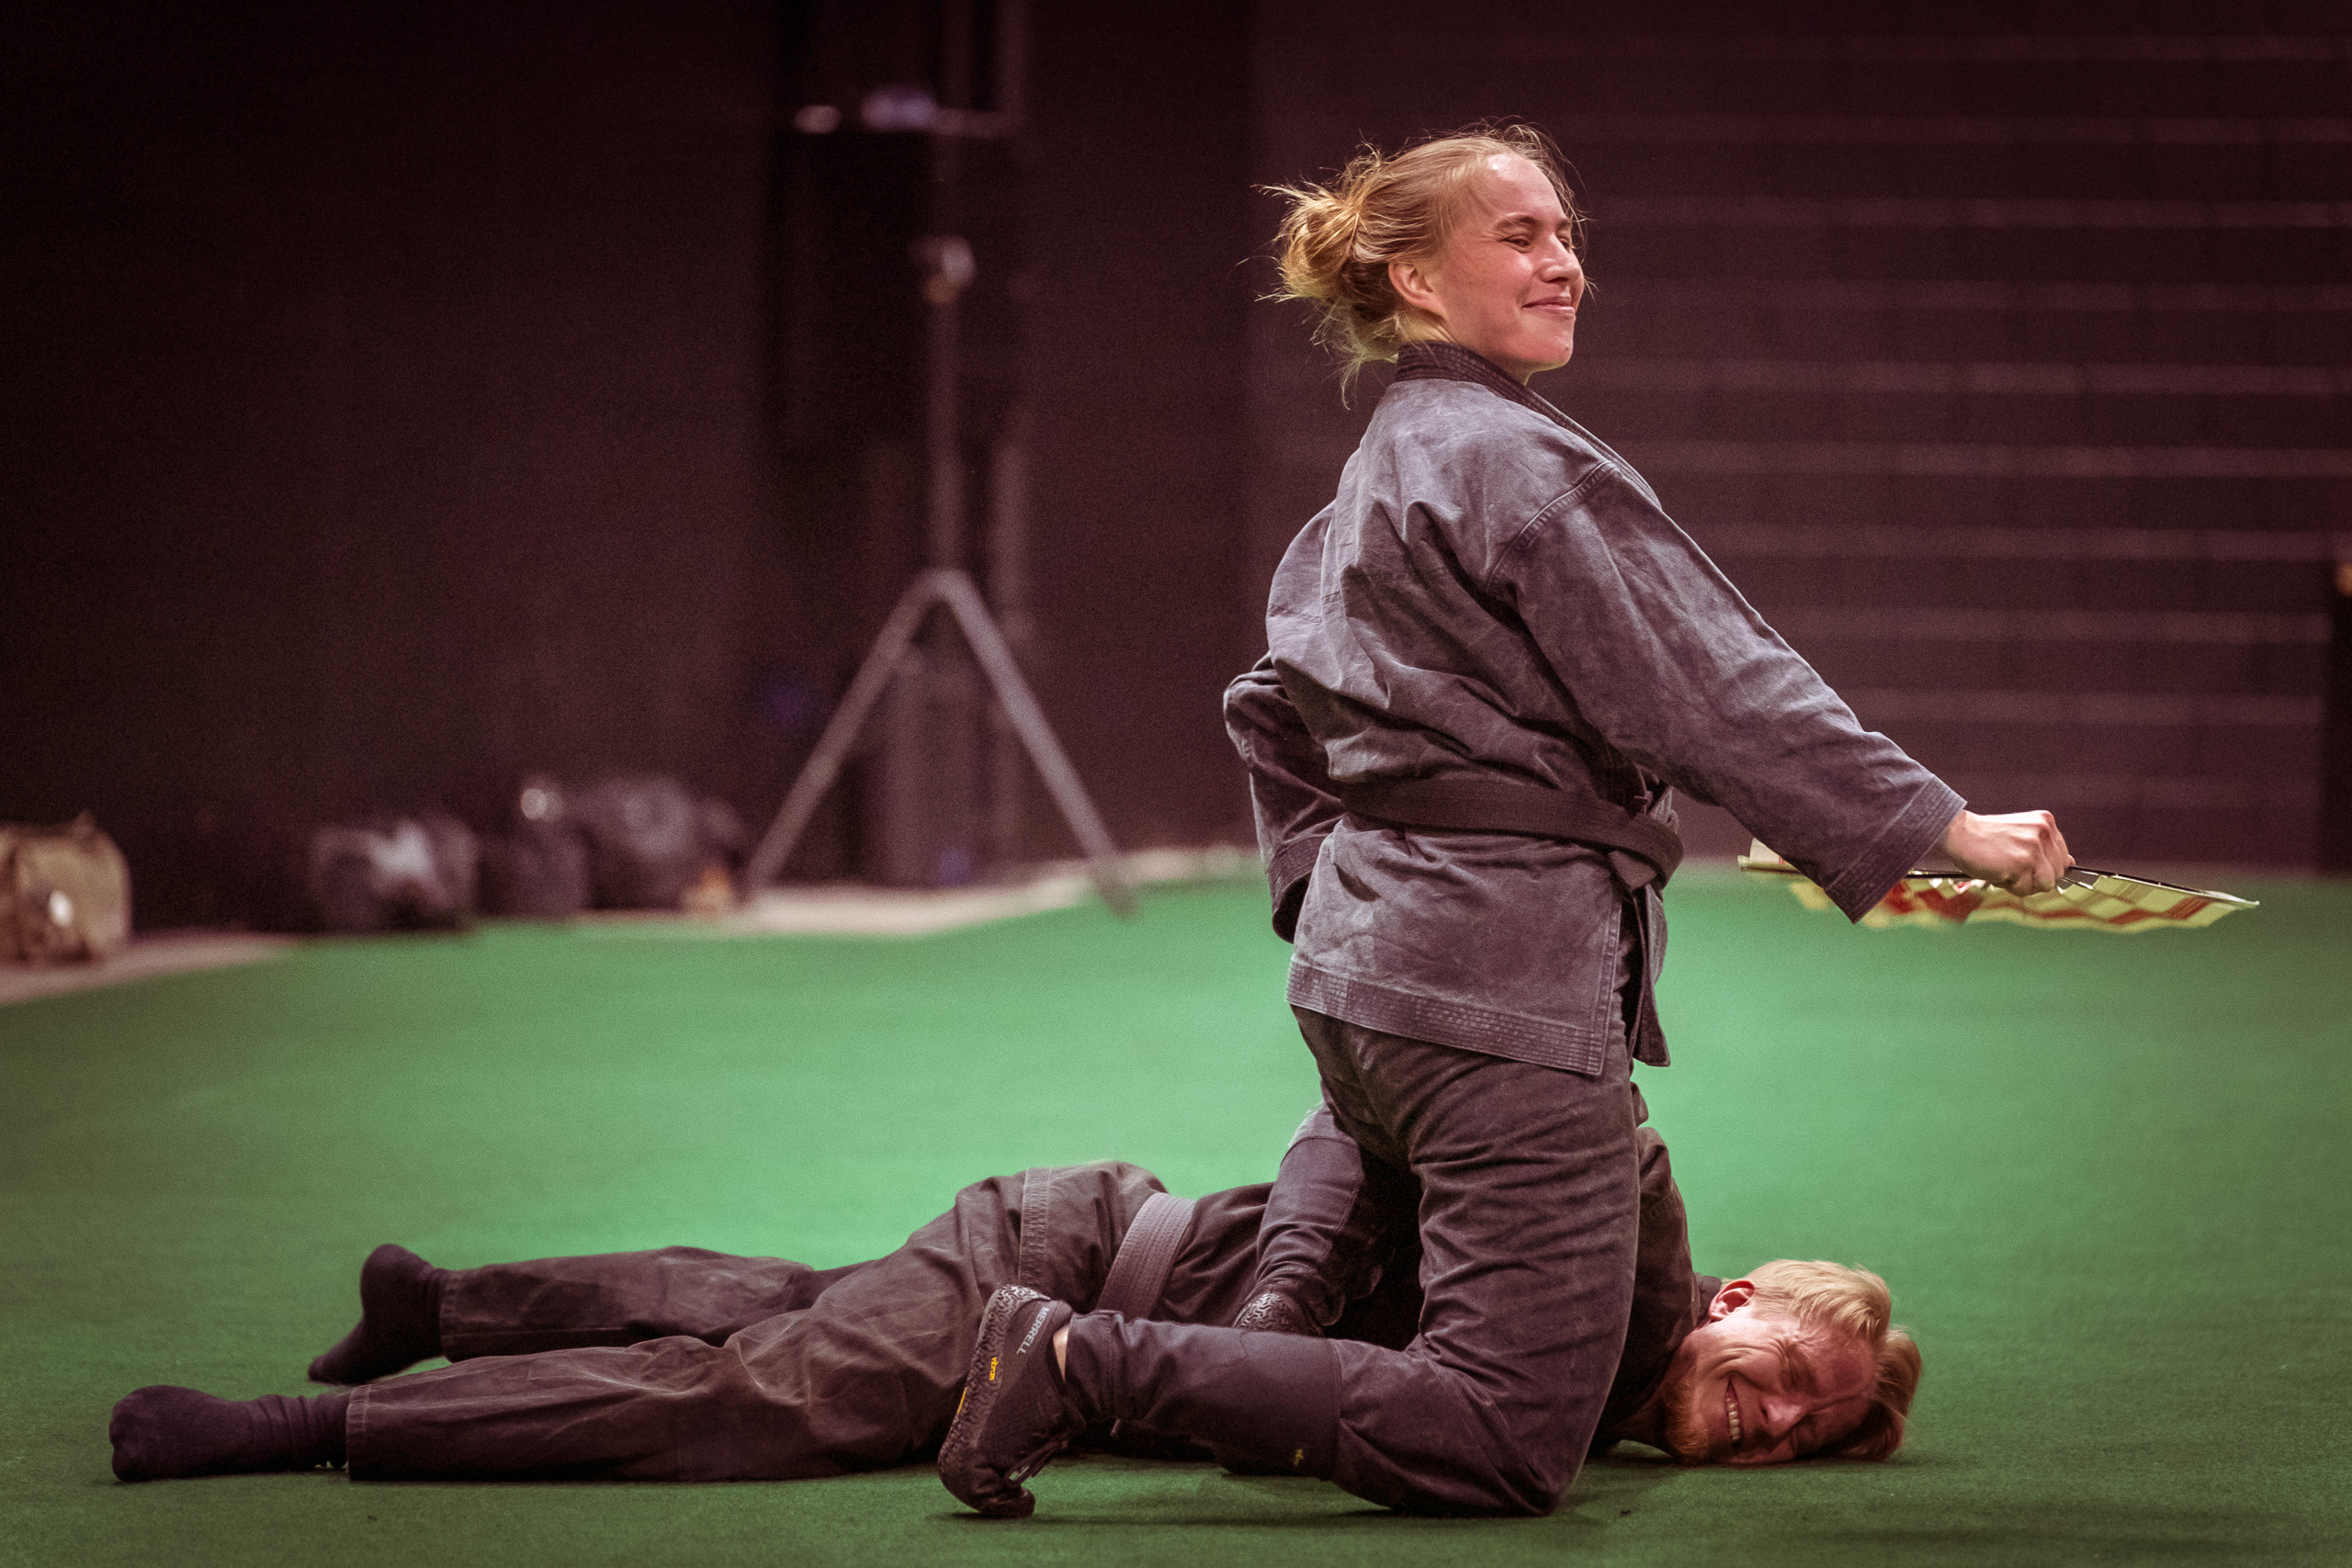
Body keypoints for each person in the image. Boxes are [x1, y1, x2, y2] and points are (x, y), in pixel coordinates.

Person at [936, 122, 2055, 1519]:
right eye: (1520, 237)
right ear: (1415, 280)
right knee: (1506, 1431)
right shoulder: (1519, 464)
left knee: (1545, 1298)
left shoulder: (1386, 460)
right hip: (1496, 989)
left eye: (1568, 236)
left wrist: (1331, 902)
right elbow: (1716, 689)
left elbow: (1267, 705)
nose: (1564, 263)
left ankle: (1222, 1341)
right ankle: (1073, 1361)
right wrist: (1939, 825)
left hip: (1372, 985)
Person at [106, 1114, 1916, 1484]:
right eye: (1785, 1367)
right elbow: (1353, 1129)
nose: (1772, 1416)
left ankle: (439, 1299)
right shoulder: (1606, 1286)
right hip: (1054, 1265)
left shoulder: (1576, 1399)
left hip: (1060, 1229)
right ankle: (292, 1426)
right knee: (759, 1397)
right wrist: (1280, 1308)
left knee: (779, 1308)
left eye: (1803, 1427)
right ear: (1732, 1293)